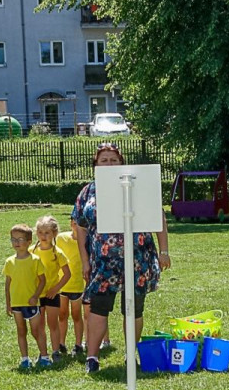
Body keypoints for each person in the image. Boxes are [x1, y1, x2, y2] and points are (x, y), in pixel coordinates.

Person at [71, 143, 172, 374]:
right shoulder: (88, 192)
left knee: (134, 308)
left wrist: (164, 251)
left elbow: (157, 215)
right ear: (96, 165)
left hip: (138, 259)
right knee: (98, 307)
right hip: (103, 263)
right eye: (104, 160)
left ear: (121, 163)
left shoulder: (137, 185)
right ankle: (92, 358)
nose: (109, 164)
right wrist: (85, 261)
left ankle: (130, 355)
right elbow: (81, 228)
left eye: (113, 160)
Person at [4, 224, 50, 370]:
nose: (16, 242)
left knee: (36, 331)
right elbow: (8, 284)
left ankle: (44, 357)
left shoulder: (35, 260)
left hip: (32, 303)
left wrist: (36, 296)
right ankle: (25, 359)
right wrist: (8, 303)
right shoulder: (9, 262)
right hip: (17, 303)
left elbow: (42, 281)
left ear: (29, 241)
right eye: (13, 239)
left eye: (20, 239)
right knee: (21, 330)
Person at [32, 215, 72, 360]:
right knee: (39, 325)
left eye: (47, 232)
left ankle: (56, 351)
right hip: (37, 294)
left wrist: (56, 289)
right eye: (40, 232)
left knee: (53, 323)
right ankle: (43, 353)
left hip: (52, 294)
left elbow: (67, 274)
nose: (43, 236)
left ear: (54, 233)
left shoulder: (57, 253)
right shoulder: (31, 252)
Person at [54, 219, 87, 357]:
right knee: (62, 315)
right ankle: (61, 343)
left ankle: (78, 344)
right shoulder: (61, 238)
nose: (75, 225)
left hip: (77, 285)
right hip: (62, 284)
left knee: (76, 315)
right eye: (73, 222)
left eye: (78, 222)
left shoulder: (86, 241)